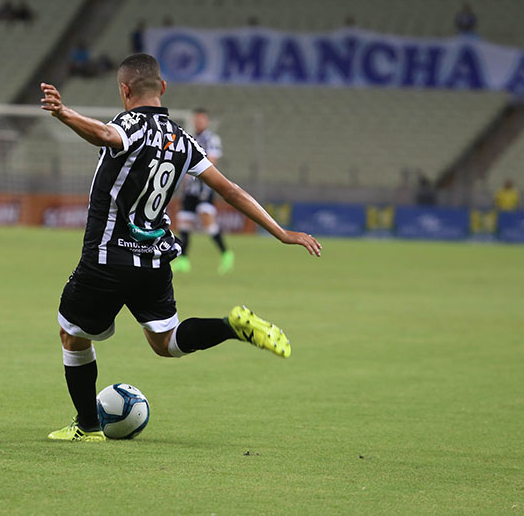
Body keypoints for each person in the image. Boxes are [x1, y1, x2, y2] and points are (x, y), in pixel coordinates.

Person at [39, 53, 321, 442]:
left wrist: (63, 113)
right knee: (165, 342)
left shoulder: (130, 124)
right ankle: (231, 327)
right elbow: (230, 190)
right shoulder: (183, 139)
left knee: (72, 335)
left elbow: (106, 135)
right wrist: (281, 232)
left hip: (107, 257)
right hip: (154, 259)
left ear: (124, 90)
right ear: (163, 87)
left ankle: (87, 426)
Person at [172, 108, 234, 274]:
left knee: (207, 221)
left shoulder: (211, 139)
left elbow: (211, 162)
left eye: (201, 120)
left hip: (204, 188)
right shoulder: (191, 138)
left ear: (207, 121)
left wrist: (192, 171)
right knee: (184, 221)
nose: (198, 122)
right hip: (190, 189)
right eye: (196, 120)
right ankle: (184, 260)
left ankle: (226, 254)